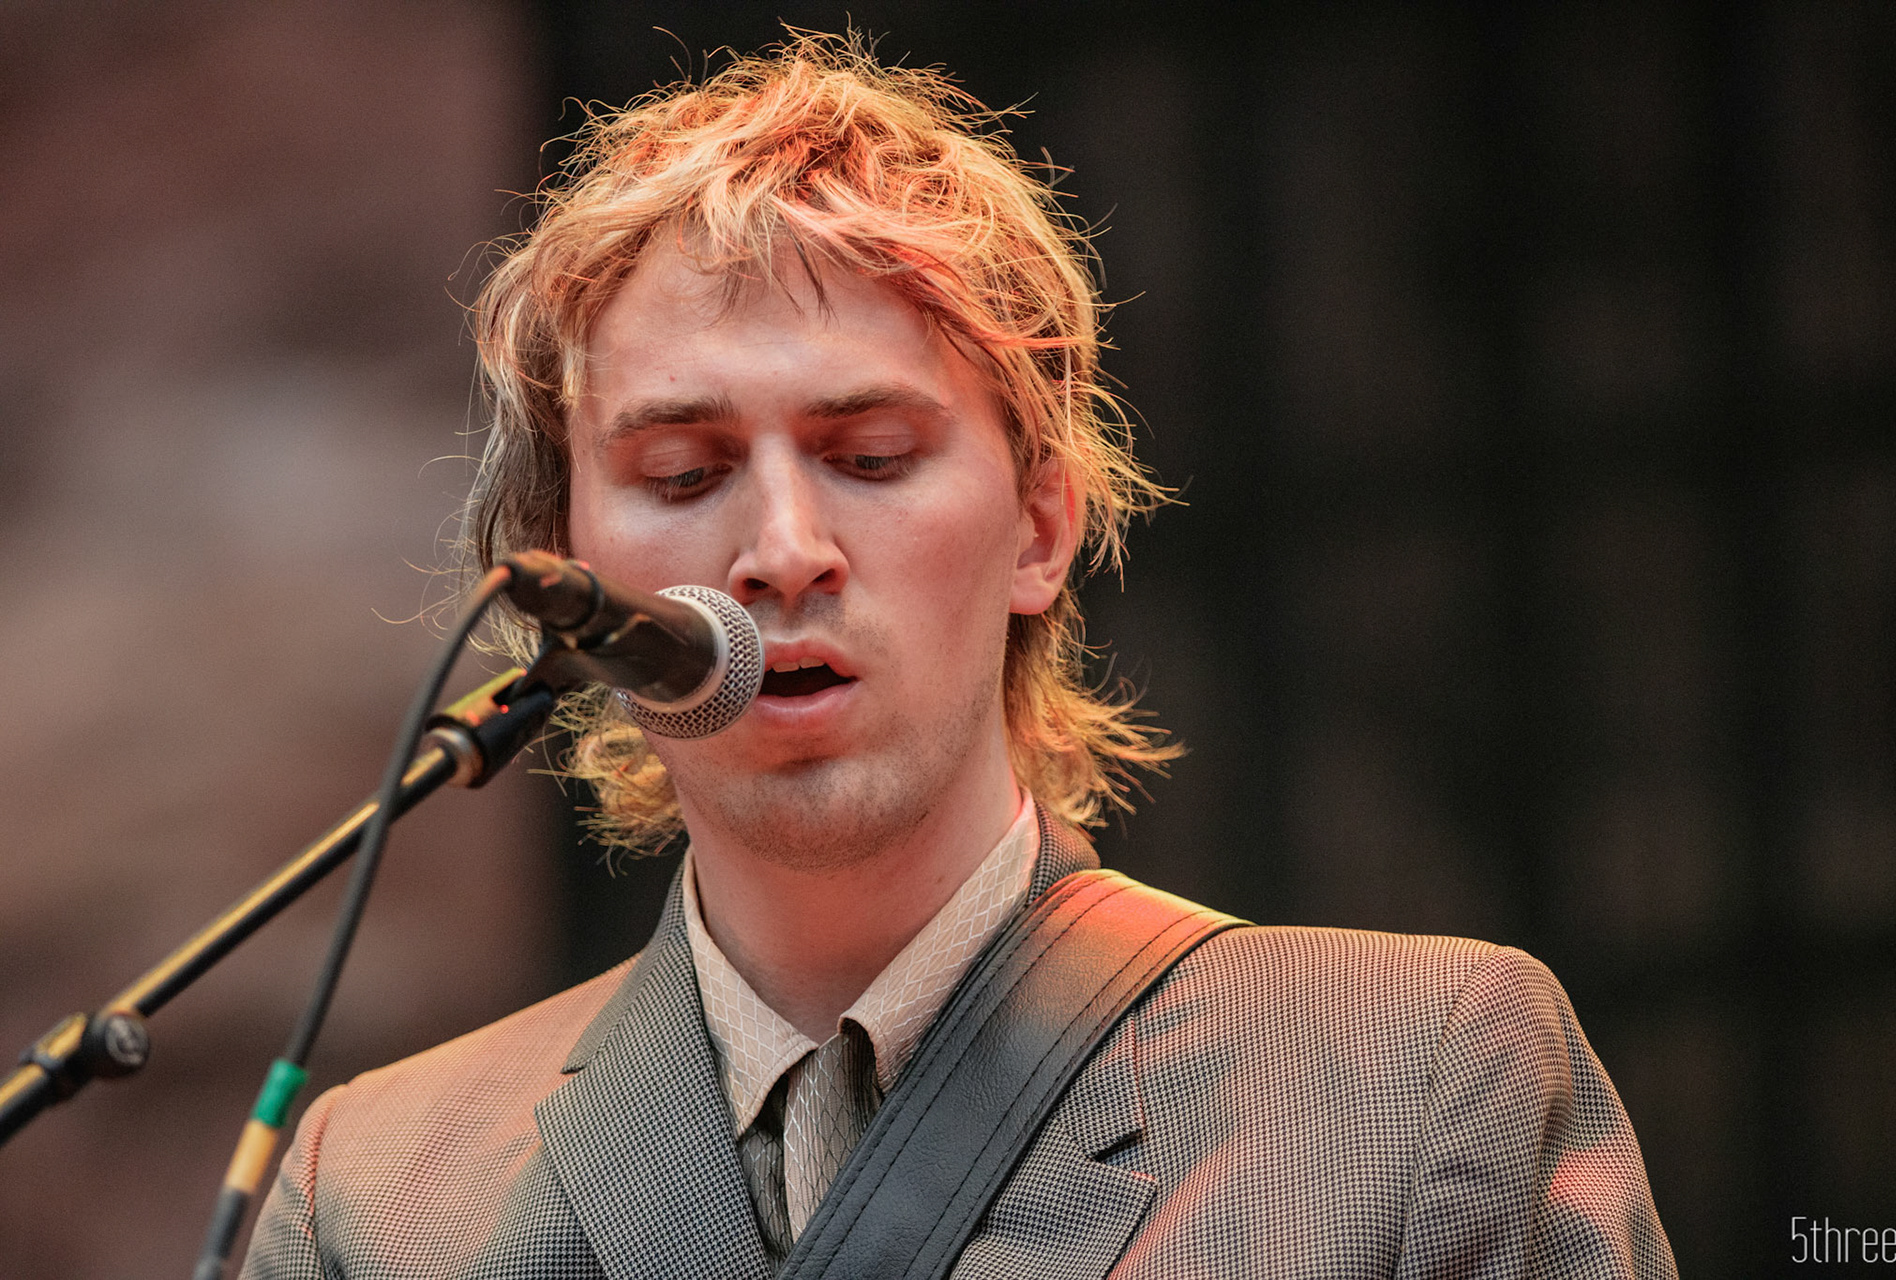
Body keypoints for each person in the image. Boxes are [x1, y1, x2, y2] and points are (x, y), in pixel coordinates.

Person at [242, 33, 1676, 1280]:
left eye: (870, 456)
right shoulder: (375, 1198)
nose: (783, 550)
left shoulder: (1416, 1081)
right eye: (683, 475)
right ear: (569, 578)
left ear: (1041, 529)